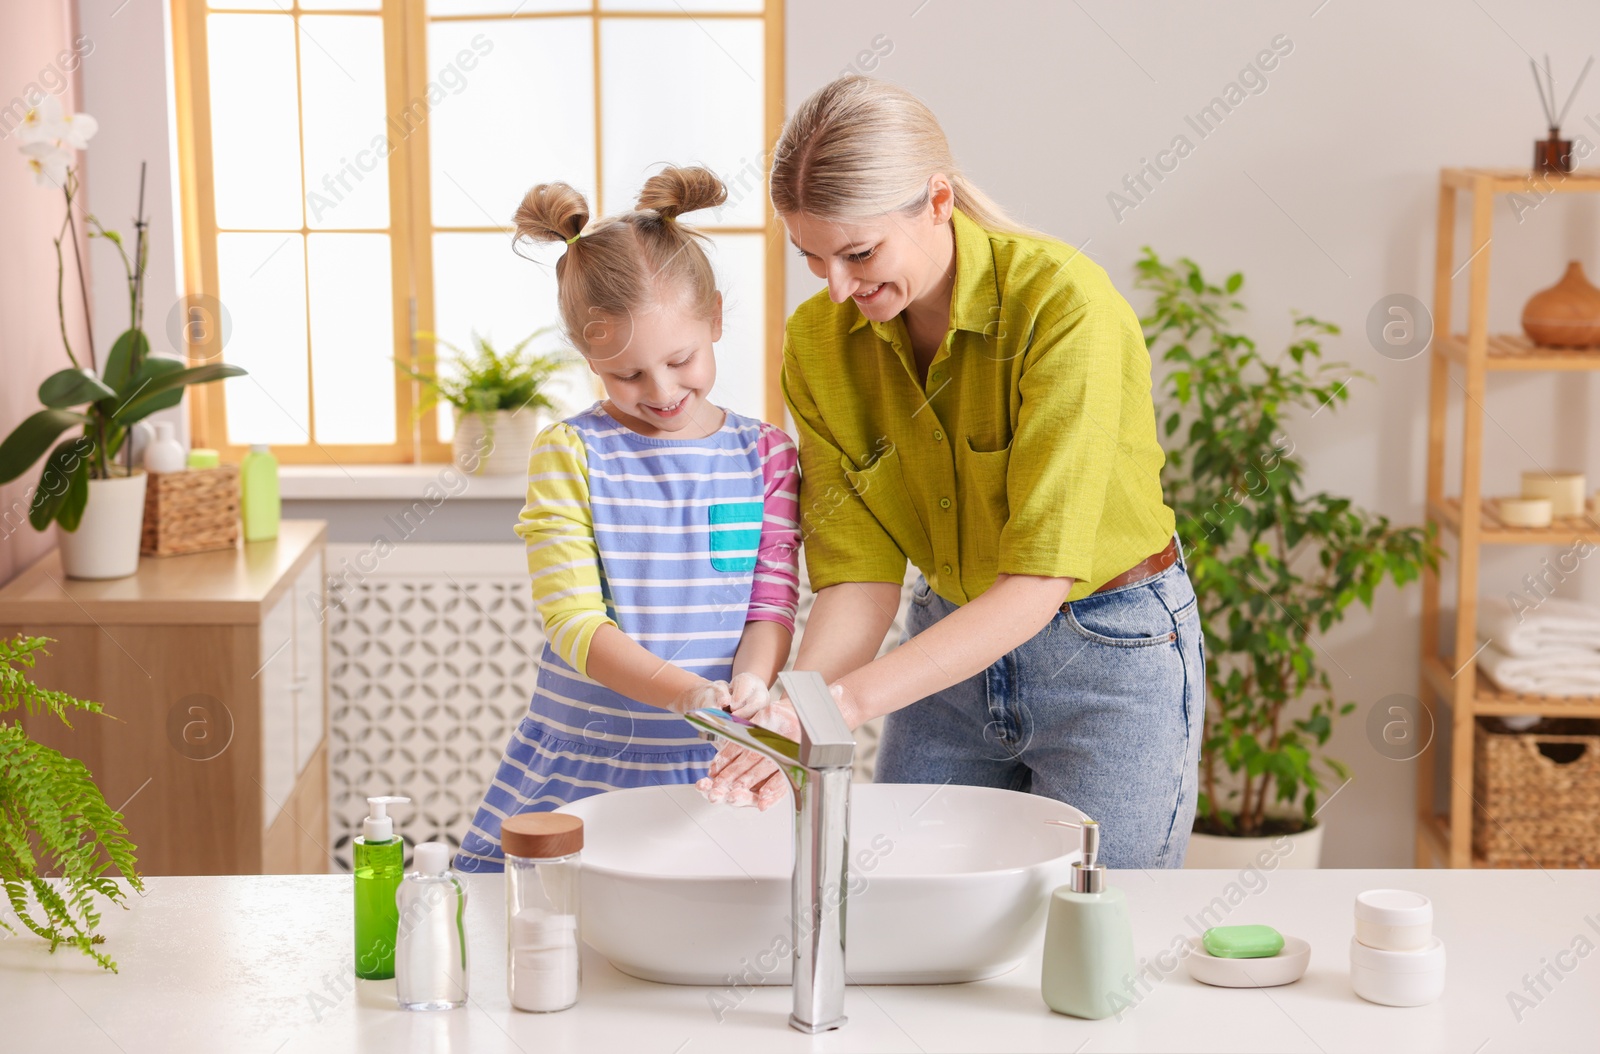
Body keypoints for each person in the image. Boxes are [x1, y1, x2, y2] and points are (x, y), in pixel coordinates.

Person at [700, 78, 1205, 869]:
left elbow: (1038, 580)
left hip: (1107, 652)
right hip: (942, 650)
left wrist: (840, 708)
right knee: (901, 899)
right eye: (812, 257)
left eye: (859, 253)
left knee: (1101, 928)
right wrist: (786, 720)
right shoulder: (819, 342)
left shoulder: (1063, 307)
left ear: (937, 200)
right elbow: (859, 582)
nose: (837, 288)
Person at [456, 167, 801, 872]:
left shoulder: (766, 454)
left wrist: (754, 686)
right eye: (627, 375)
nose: (663, 390)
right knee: (539, 930)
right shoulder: (572, 453)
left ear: (717, 321)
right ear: (588, 356)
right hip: (588, 761)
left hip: (715, 765)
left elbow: (771, 602)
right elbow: (575, 624)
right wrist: (690, 694)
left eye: (681, 360)